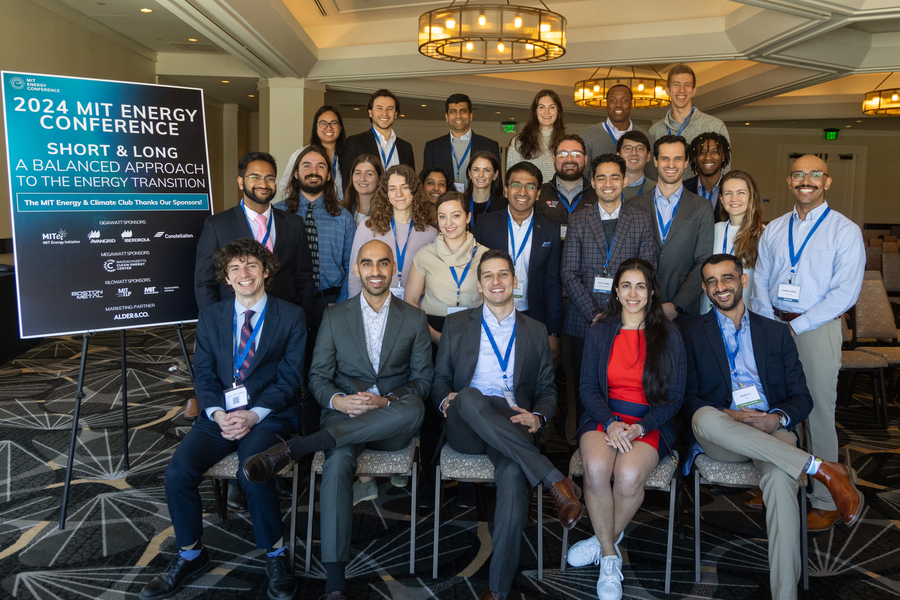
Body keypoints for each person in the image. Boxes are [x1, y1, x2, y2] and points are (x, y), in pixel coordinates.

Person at [241, 239, 432, 600]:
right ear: (357, 270)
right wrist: (339, 401)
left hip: (392, 421)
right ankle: (335, 580)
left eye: (383, 264)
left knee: (415, 408)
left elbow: (423, 382)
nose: (375, 271)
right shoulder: (333, 315)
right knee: (339, 460)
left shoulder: (414, 317)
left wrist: (385, 400)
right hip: (343, 418)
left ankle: (301, 447)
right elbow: (316, 377)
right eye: (367, 264)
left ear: (395, 269)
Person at [684, 254, 864, 600]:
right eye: (712, 282)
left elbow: (801, 397)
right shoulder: (691, 332)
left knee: (781, 479)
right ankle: (821, 468)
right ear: (705, 289)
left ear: (743, 280)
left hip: (771, 430)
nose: (720, 287)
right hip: (723, 432)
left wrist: (776, 417)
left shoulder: (776, 333)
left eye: (727, 278)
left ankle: (785, 594)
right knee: (702, 416)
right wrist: (731, 415)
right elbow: (688, 398)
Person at [140, 239, 305, 600]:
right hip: (218, 417)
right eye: (235, 269)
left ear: (265, 271)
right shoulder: (212, 317)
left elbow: (291, 379)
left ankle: (275, 554)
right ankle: (190, 554)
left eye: (250, 266)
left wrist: (252, 414)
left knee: (254, 468)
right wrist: (216, 413)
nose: (243, 274)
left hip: (269, 417)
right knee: (177, 472)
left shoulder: (290, 315)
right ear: (226, 278)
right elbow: (203, 374)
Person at [432, 249, 585, 600]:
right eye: (488, 276)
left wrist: (539, 416)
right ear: (480, 284)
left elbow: (547, 390)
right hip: (466, 422)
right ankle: (553, 479)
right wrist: (446, 400)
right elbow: (439, 381)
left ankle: (497, 591)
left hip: (513, 421)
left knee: (515, 475)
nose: (496, 281)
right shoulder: (457, 324)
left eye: (503, 275)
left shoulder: (536, 330)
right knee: (469, 395)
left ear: (515, 283)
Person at [752, 155, 865, 532]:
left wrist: (797, 326)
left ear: (827, 182)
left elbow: (844, 294)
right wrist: (770, 324)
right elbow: (762, 281)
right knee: (774, 406)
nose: (806, 180)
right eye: (799, 174)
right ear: (789, 182)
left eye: (815, 174)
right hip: (775, 327)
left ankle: (825, 498)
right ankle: (779, 483)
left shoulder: (844, 231)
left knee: (816, 411)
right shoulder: (775, 228)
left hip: (816, 329)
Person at [567, 258, 685, 600]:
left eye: (641, 286)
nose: (633, 293)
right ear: (616, 291)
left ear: (651, 293)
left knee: (630, 476)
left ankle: (601, 541)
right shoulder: (601, 329)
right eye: (626, 286)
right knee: (595, 468)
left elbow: (675, 398)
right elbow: (587, 387)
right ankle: (609, 556)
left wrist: (639, 428)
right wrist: (610, 422)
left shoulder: (670, 334)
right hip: (604, 415)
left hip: (651, 422)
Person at [404, 191, 489, 507]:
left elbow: (494, 303)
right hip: (431, 335)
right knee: (431, 409)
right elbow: (411, 304)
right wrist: (438, 338)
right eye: (442, 216)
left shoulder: (486, 255)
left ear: (468, 217)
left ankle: (466, 479)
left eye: (456, 215)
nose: (449, 222)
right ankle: (430, 478)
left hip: (474, 335)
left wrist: (458, 340)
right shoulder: (425, 255)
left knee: (467, 405)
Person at [562, 154, 658, 423]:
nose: (608, 183)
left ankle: (622, 434)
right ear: (592, 182)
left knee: (623, 388)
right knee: (585, 388)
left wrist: (617, 313)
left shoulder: (640, 220)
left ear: (624, 180)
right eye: (601, 177)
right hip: (584, 322)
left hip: (629, 323)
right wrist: (596, 314)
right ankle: (584, 443)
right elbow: (569, 273)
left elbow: (647, 272)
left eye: (614, 177)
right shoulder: (578, 220)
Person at [276, 145, 357, 435]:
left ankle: (316, 433)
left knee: (322, 369)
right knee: (288, 368)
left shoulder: (344, 218)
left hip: (329, 304)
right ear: (296, 173)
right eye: (307, 166)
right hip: (289, 304)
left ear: (329, 174)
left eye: (321, 166)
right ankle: (286, 432)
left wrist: (344, 303)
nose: (314, 171)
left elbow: (351, 266)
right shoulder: (278, 214)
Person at [195, 151, 314, 314]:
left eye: (269, 178)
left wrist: (304, 318)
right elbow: (205, 282)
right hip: (236, 319)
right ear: (240, 182)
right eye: (255, 177)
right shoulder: (217, 225)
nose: (263, 184)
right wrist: (215, 323)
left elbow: (304, 278)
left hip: (284, 318)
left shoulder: (294, 223)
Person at [472, 161, 563, 357]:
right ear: (506, 190)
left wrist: (553, 332)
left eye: (530, 186)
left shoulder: (550, 229)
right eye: (516, 184)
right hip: (491, 313)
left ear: (538, 193)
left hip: (532, 316)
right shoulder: (484, 224)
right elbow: (475, 274)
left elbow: (552, 282)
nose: (523, 191)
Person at [631, 135, 714, 322]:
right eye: (665, 158)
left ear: (686, 162)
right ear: (655, 161)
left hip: (684, 312)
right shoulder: (634, 206)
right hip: (639, 308)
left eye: (677, 158)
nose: (671, 164)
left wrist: (677, 305)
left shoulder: (702, 208)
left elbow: (703, 261)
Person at [347, 165, 438, 300]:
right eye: (392, 189)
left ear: (414, 190)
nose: (399, 194)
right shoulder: (368, 226)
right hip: (374, 309)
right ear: (386, 194)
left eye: (404, 187)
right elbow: (355, 277)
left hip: (414, 310)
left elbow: (434, 281)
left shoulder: (430, 233)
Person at [649, 64, 730, 180]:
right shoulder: (655, 130)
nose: (682, 90)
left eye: (687, 85)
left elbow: (725, 171)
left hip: (703, 196)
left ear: (693, 91)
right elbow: (652, 173)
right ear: (668, 91)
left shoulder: (715, 126)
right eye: (676, 84)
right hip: (666, 197)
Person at [700, 170, 764, 314]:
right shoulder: (713, 230)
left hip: (748, 315)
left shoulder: (764, 234)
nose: (734, 199)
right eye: (728, 193)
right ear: (721, 199)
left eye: (741, 192)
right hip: (710, 312)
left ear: (751, 197)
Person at [423, 93, 501, 193]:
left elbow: (497, 186)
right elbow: (427, 184)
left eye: (463, 111)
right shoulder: (432, 147)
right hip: (445, 205)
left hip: (479, 205)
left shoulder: (490, 146)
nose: (458, 116)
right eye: (453, 111)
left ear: (471, 116)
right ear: (446, 117)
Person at [341, 89, 415, 185]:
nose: (384, 113)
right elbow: (348, 181)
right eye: (379, 108)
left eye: (390, 109)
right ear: (370, 113)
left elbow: (411, 183)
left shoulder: (406, 147)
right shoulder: (355, 142)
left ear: (396, 114)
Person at [580, 84, 654, 179]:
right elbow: (582, 178)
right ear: (607, 105)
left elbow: (652, 177)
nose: (618, 105)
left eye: (624, 100)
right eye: (613, 100)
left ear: (631, 105)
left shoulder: (647, 137)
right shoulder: (587, 136)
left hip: (638, 194)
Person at [279, 105, 347, 201]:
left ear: (340, 128)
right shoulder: (301, 154)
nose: (329, 127)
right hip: (307, 211)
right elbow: (285, 186)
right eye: (323, 123)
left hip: (341, 212)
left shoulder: (349, 154)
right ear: (316, 127)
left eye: (333, 123)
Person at [539, 134, 598, 238]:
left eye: (576, 154)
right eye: (562, 154)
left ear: (585, 160)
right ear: (554, 160)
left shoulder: (598, 194)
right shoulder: (539, 193)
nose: (569, 159)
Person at [506, 89, 566, 183]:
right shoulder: (518, 142)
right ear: (535, 111)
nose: (546, 112)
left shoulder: (566, 143)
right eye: (541, 107)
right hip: (526, 196)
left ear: (558, 111)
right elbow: (510, 180)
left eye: (552, 107)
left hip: (557, 197)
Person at [684, 132, 730, 218]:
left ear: (723, 157)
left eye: (714, 152)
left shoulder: (733, 189)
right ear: (694, 158)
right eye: (702, 152)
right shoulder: (682, 189)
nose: (708, 157)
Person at [465, 150, 508, 225]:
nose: (481, 175)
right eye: (476, 170)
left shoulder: (505, 206)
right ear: (470, 174)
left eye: (487, 170)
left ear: (495, 174)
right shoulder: (459, 203)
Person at [341, 154, 383, 226]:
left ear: (379, 179)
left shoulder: (387, 212)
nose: (362, 178)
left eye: (369, 174)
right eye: (358, 173)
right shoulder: (341, 209)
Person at [617, 131, 656, 202]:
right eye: (628, 148)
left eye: (640, 148)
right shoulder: (607, 187)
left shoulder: (657, 190)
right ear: (618, 155)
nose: (634, 153)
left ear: (648, 156)